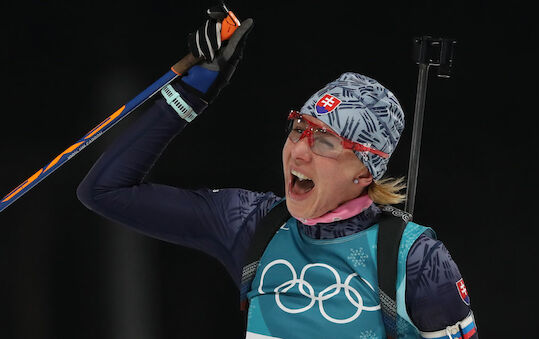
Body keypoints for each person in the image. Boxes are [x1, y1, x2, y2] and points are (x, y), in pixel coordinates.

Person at [77, 7, 478, 339]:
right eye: (299, 127)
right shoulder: (251, 223)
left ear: (365, 172)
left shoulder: (416, 260)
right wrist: (192, 92)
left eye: (324, 140)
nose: (299, 149)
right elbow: (106, 191)